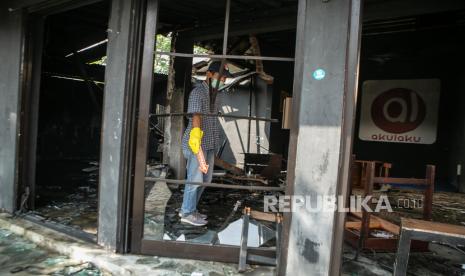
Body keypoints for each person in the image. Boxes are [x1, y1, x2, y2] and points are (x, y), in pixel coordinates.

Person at [179, 60, 232, 226]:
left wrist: (215, 145)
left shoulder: (217, 95)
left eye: (224, 78)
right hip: (197, 144)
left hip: (209, 144)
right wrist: (198, 148)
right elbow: (196, 118)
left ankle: (191, 208)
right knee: (194, 179)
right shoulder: (197, 93)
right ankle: (186, 212)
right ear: (209, 74)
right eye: (221, 77)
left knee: (204, 180)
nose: (223, 80)